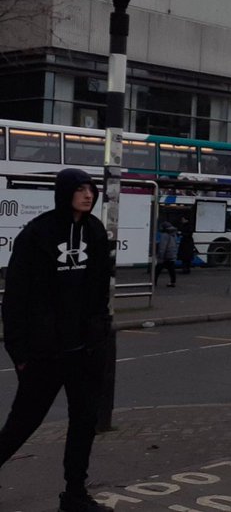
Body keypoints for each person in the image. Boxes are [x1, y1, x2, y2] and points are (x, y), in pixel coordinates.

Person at [0, 168, 111, 512]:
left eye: (91, 189)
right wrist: (19, 352)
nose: (88, 195)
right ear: (65, 193)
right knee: (21, 425)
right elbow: (15, 297)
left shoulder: (94, 231)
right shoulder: (37, 234)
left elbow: (99, 291)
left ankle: (74, 494)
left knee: (84, 422)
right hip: (44, 353)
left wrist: (100, 335)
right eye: (80, 189)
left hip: (84, 350)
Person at [154, 221, 179, 288]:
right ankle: (173, 282)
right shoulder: (174, 234)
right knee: (171, 270)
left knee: (157, 270)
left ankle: (153, 282)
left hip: (165, 255)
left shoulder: (165, 235)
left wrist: (160, 256)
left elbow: (163, 247)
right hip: (172, 254)